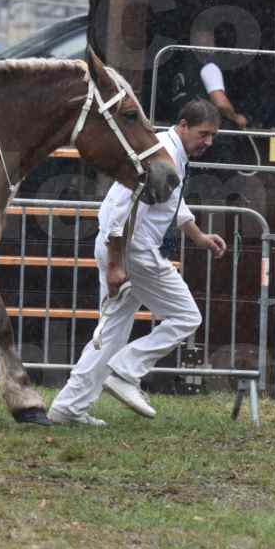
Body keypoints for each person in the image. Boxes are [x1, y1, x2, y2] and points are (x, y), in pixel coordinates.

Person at [48, 98, 228, 426]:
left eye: (213, 136)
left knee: (112, 332)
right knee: (187, 317)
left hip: (126, 249)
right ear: (183, 126)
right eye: (203, 134)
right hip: (134, 252)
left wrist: (198, 236)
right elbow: (123, 210)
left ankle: (68, 407)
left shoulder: (170, 151)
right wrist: (118, 264)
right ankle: (125, 371)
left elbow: (173, 200)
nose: (209, 142)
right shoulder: (163, 154)